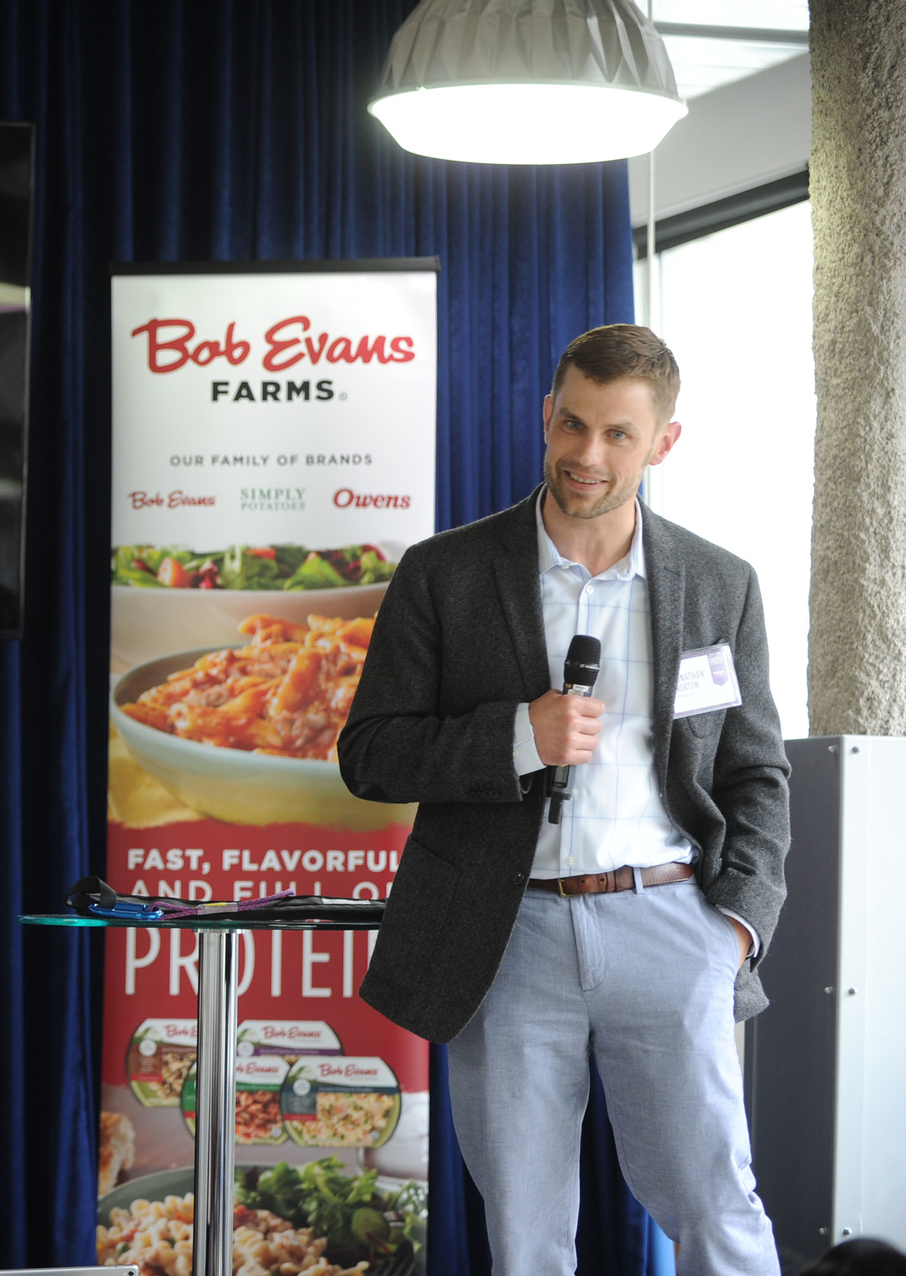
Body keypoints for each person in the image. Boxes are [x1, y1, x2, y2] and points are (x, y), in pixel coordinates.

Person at [337, 324, 787, 1273]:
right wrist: (515, 737)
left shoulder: (720, 585)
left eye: (619, 435)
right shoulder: (445, 572)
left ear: (663, 442)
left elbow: (755, 775)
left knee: (717, 1206)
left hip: (671, 924)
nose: (587, 455)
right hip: (505, 938)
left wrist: (737, 925)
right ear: (547, 414)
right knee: (526, 1234)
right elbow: (371, 754)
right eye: (573, 425)